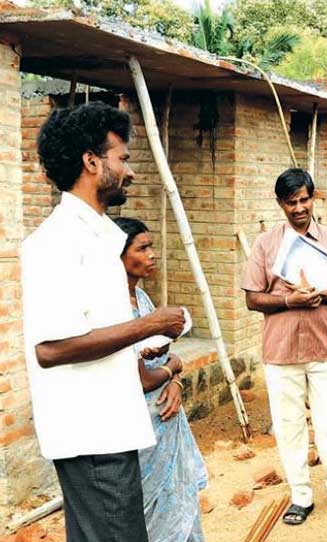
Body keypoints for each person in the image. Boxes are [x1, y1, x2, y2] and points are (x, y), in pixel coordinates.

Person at [22, 102, 186, 542]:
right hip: (90, 436)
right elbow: (50, 349)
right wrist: (150, 324)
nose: (129, 171)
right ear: (91, 162)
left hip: (109, 428)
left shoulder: (98, 237)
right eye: (123, 158)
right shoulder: (57, 242)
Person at [242, 168, 327, 526]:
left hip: (324, 347)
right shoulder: (266, 244)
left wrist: (321, 294)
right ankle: (300, 494)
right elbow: (253, 299)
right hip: (281, 351)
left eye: (304, 200)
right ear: (280, 203)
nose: (299, 208)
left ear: (314, 197)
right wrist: (289, 302)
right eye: (290, 202)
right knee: (289, 425)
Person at [115, 216, 208, 542]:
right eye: (143, 248)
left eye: (151, 245)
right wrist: (174, 367)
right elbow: (139, 379)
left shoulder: (142, 300)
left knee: (179, 506)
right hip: (137, 427)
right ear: (118, 255)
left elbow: (163, 359)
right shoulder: (112, 310)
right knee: (148, 514)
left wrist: (175, 380)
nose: (152, 254)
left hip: (165, 417)